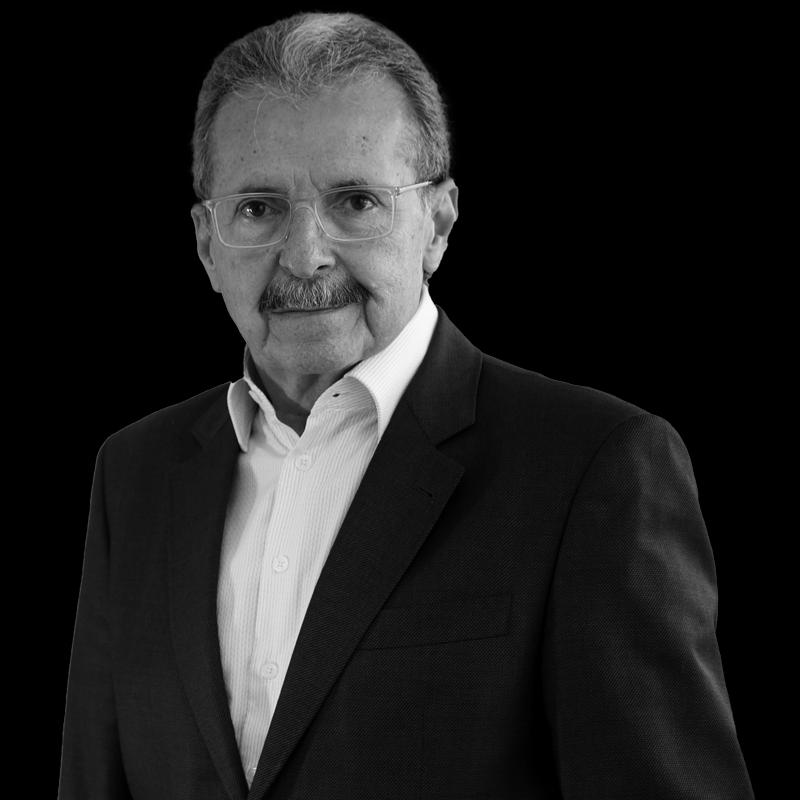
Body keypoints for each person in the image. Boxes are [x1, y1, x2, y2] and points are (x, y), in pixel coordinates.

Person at [59, 11, 754, 800]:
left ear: (439, 223)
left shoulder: (593, 468)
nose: (305, 255)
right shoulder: (135, 475)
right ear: (205, 244)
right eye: (258, 208)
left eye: (356, 202)